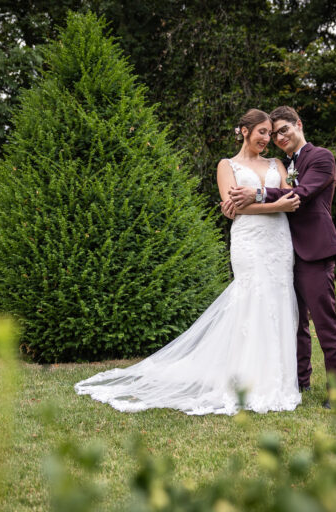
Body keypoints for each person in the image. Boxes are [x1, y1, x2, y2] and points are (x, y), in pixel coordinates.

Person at [74, 109, 303, 415]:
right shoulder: (227, 165)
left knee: (277, 300)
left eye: (269, 133)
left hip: (278, 242)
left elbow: (292, 201)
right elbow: (237, 209)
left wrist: (260, 199)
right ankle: (245, 379)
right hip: (249, 242)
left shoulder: (277, 164)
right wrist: (272, 204)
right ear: (245, 131)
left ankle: (276, 379)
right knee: (251, 300)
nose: (267, 138)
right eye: (261, 131)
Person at [224, 106, 336, 408]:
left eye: (283, 130)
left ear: (298, 125)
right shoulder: (284, 164)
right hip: (280, 249)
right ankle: (300, 381)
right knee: (294, 322)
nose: (278, 137)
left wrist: (257, 194)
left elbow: (300, 193)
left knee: (324, 323)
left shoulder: (321, 157)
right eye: (272, 132)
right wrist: (232, 205)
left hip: (313, 250)